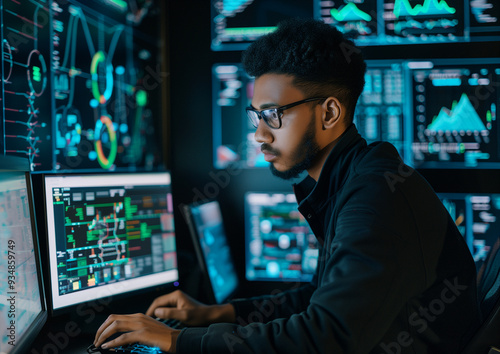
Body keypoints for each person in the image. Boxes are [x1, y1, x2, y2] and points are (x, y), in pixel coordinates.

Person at [93, 18, 482, 353]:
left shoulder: (376, 200)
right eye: (256, 116)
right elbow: (319, 301)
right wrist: (218, 314)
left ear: (329, 112)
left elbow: (321, 339)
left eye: (273, 115)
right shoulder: (359, 177)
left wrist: (179, 342)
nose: (260, 134)